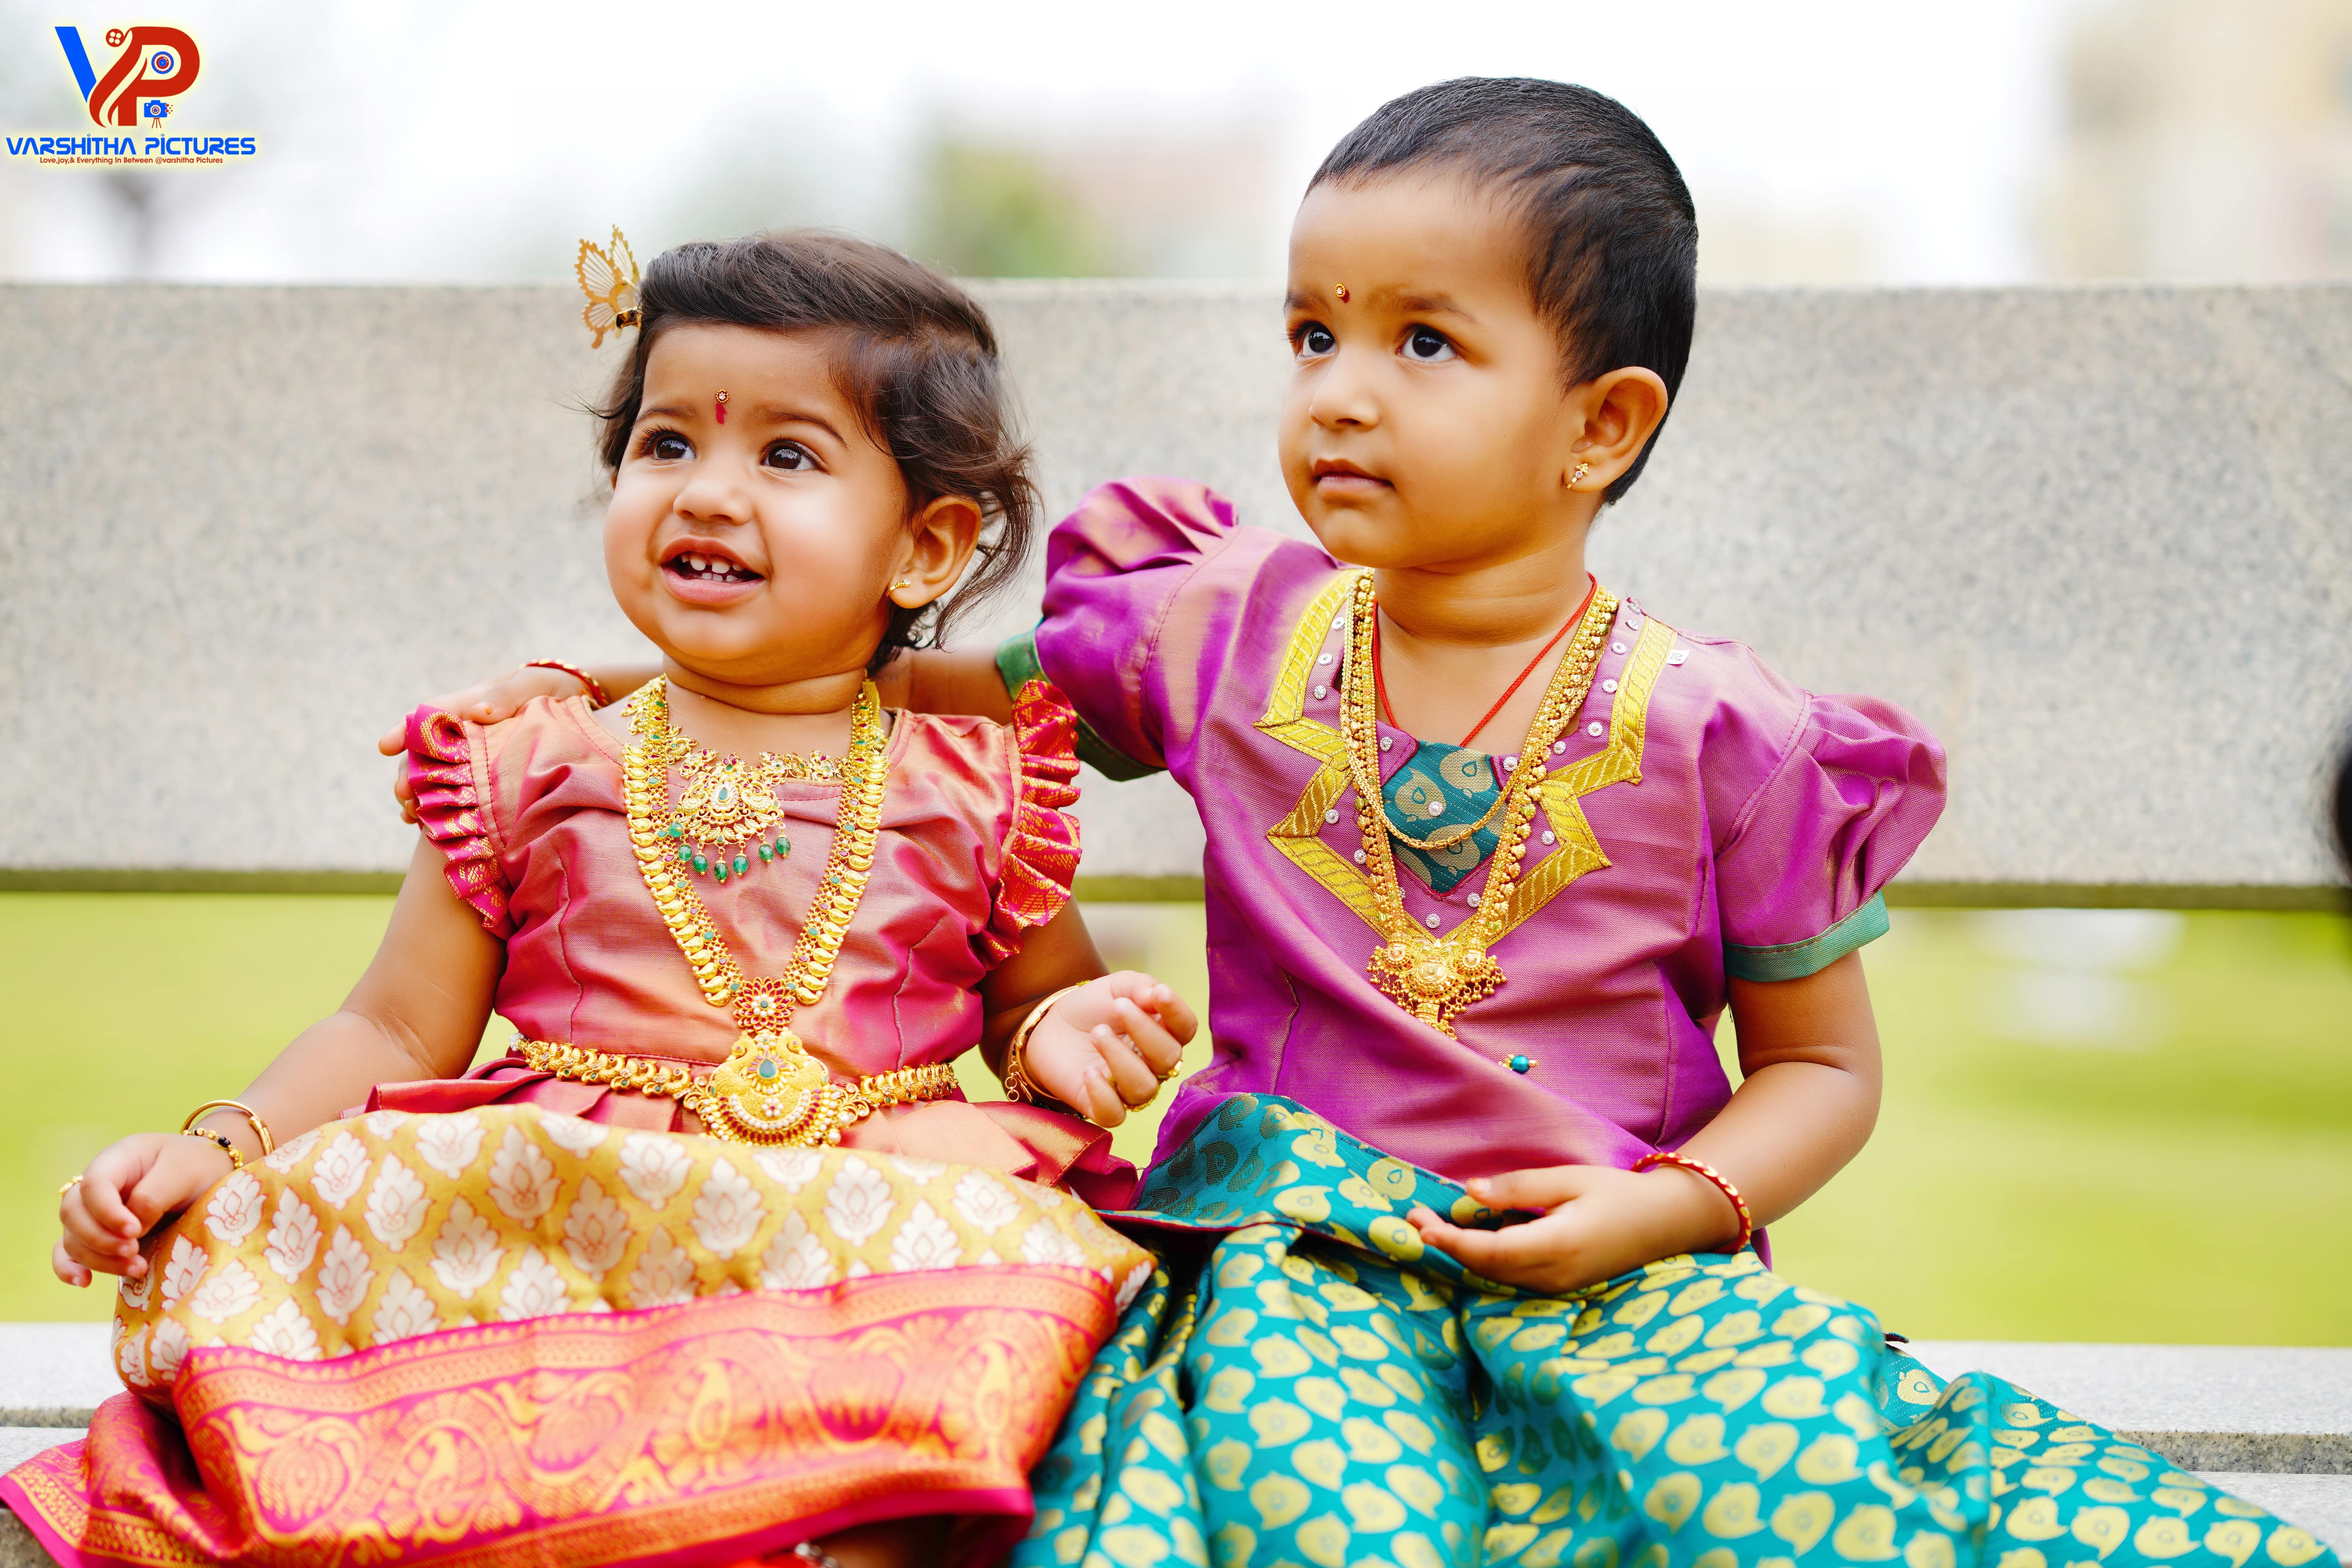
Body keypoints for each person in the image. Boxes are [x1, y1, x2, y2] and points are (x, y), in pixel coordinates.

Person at [384, 83, 2333, 1568]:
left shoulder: (1724, 733)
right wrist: (610, 685)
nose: (1337, 392)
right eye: (1312, 334)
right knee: (1316, 1510)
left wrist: (1670, 1204)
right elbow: (885, 680)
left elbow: (1823, 1071)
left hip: (1625, 1253)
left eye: (1423, 343)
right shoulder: (1217, 629)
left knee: (1795, 1486)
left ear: (1601, 423)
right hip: (1290, 1252)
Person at [9, 231, 1202, 1568]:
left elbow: (1033, 1008)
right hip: (573, 1222)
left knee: (1020, 1256)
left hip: (864, 1227)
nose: (708, 493)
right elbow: (395, 1031)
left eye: (787, 456)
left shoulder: (974, 781)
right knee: (341, 1199)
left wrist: (1063, 1036)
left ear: (926, 547)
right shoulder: (526, 762)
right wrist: (224, 1147)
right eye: (666, 443)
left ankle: (822, 1517)